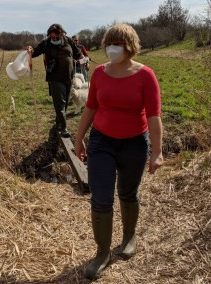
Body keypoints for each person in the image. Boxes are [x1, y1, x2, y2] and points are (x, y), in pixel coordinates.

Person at [74, 23, 163, 279]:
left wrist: (157, 151)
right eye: (109, 43)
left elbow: (155, 116)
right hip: (101, 142)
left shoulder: (146, 75)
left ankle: (129, 237)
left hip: (134, 143)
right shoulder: (100, 73)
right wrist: (79, 138)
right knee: (101, 197)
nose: (112, 48)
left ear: (130, 47)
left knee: (127, 192)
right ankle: (102, 253)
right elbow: (90, 108)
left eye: (118, 44)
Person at [26, 24, 84, 137]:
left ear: (62, 34)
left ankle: (58, 124)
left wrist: (84, 60)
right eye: (52, 38)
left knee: (66, 103)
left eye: (57, 38)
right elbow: (34, 52)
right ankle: (64, 128)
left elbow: (78, 54)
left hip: (69, 78)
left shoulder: (68, 41)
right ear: (49, 36)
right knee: (60, 104)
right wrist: (29, 50)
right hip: (55, 78)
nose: (55, 40)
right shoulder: (46, 43)